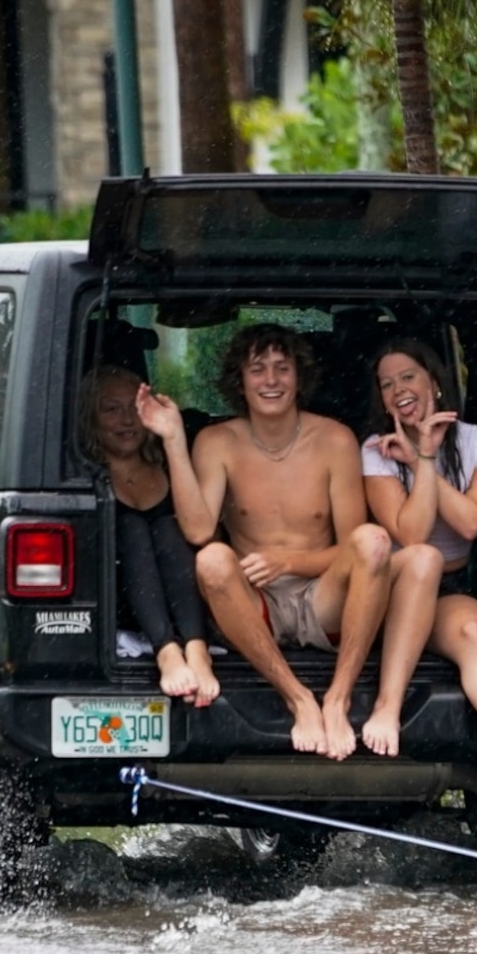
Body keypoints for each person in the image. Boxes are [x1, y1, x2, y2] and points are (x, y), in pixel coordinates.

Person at [142, 324, 392, 760]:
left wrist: (289, 561)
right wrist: (174, 439)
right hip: (255, 607)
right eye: (258, 369)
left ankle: (337, 699)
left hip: (322, 596)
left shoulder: (335, 439)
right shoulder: (216, 441)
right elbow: (199, 531)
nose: (271, 381)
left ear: (300, 377)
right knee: (213, 560)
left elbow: (350, 549)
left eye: (282, 368)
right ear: (240, 380)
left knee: (373, 541)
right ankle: (298, 699)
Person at [356, 337, 477, 813]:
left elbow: (471, 522)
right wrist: (417, 459)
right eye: (387, 384)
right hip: (391, 588)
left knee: (471, 632)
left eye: (408, 377)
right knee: (421, 558)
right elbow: (410, 531)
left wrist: (424, 461)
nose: (398, 390)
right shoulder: (375, 451)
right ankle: (388, 705)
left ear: (435, 383)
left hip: (449, 589)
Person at [78, 365, 219, 707]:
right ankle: (167, 653)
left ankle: (197, 650)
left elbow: (200, 532)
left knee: (170, 526)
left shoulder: (168, 465)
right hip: (120, 603)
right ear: (91, 418)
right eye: (111, 410)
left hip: (182, 601)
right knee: (131, 528)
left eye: (135, 408)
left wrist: (174, 442)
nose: (127, 420)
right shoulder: (83, 475)